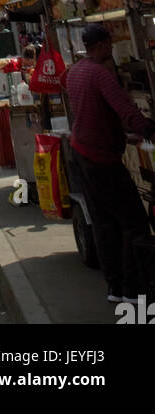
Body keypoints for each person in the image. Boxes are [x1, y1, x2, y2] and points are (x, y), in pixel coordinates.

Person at [65, 23, 155, 303]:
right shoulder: (100, 74)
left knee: (104, 223)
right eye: (110, 44)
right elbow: (126, 110)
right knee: (135, 223)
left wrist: (121, 132)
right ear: (102, 45)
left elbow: (93, 108)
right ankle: (134, 290)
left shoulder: (75, 71)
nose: (112, 48)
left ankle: (114, 287)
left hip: (82, 153)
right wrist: (147, 129)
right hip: (101, 159)